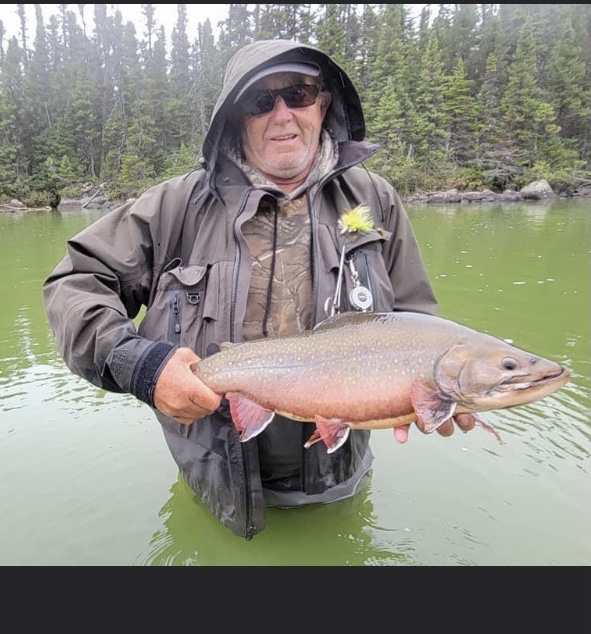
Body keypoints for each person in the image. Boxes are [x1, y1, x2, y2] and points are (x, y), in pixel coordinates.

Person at [43, 39, 475, 540]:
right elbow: (75, 281)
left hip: (339, 479)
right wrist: (141, 365)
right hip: (216, 483)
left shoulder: (376, 200)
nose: (283, 114)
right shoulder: (175, 207)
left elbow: (415, 322)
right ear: (236, 117)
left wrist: (438, 389)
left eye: (299, 93)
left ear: (324, 103)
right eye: (260, 101)